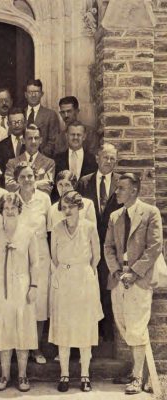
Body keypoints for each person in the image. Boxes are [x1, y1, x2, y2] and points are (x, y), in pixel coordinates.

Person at [105, 173, 163, 395]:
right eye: (117, 188)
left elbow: (155, 246)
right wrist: (117, 271)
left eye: (121, 188)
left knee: (137, 326)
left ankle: (138, 378)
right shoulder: (115, 216)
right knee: (124, 325)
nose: (116, 191)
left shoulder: (150, 213)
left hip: (139, 280)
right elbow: (108, 247)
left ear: (134, 191)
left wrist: (135, 273)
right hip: (119, 278)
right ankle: (134, 371)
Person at [49, 190, 103, 393]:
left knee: (84, 329)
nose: (67, 210)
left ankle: (85, 375)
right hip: (64, 280)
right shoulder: (56, 228)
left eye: (71, 206)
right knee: (64, 328)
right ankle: (64, 374)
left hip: (84, 280)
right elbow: (54, 257)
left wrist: (82, 271)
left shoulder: (89, 228)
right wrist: (66, 271)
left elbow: (95, 257)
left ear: (79, 207)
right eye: (64, 207)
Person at [0, 192, 39, 392]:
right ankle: (5, 374)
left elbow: (35, 263)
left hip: (22, 285)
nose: (9, 211)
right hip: (2, 287)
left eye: (13, 208)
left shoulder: (28, 233)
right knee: (4, 329)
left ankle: (23, 376)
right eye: (6, 208)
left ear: (19, 210)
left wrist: (33, 286)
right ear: (1, 211)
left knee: (23, 329)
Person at [77, 143, 121, 342]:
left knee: (109, 287)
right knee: (90, 288)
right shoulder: (84, 182)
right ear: (97, 158)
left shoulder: (121, 183)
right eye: (106, 157)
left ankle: (108, 336)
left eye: (112, 158)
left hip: (113, 245)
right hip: (90, 244)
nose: (109, 161)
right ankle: (90, 334)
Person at [14, 162, 51, 364]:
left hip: (42, 257)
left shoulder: (44, 199)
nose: (27, 180)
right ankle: (20, 346)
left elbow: (51, 230)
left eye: (30, 176)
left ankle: (36, 349)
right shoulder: (12, 200)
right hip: (20, 258)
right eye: (23, 177)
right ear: (17, 180)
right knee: (20, 300)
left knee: (38, 302)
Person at [5, 124, 55, 194]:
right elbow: (9, 187)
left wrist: (22, 185)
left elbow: (47, 189)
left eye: (36, 138)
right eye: (30, 138)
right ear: (23, 140)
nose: (33, 141)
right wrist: (36, 184)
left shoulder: (49, 163)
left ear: (41, 140)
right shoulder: (12, 163)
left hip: (39, 203)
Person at [24, 79, 60, 158]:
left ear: (41, 94)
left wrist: (37, 158)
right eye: (30, 92)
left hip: (43, 160)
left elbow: (53, 141)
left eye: (36, 92)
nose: (33, 95)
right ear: (25, 95)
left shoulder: (50, 115)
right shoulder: (21, 114)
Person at [0, 107, 26, 187]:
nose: (17, 125)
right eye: (13, 122)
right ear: (8, 124)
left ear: (25, 123)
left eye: (19, 122)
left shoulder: (31, 143)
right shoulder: (0, 146)